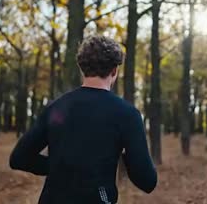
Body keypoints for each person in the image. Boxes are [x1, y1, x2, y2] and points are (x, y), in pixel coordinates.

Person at [9, 36, 157, 204]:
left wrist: (59, 166)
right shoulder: (127, 115)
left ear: (82, 69)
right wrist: (126, 153)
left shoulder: (56, 108)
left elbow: (19, 158)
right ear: (114, 71)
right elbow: (147, 181)